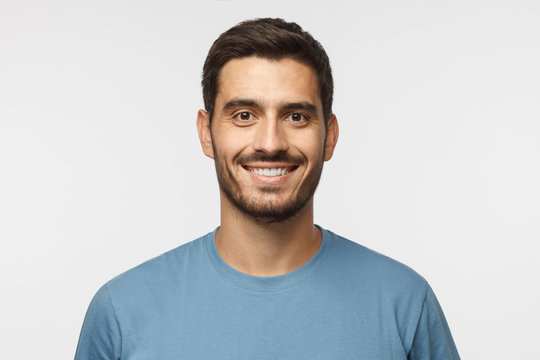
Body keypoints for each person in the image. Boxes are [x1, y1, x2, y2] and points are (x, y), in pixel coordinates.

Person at [75, 18, 460, 359]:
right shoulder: (123, 311)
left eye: (296, 116)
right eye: (244, 115)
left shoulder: (404, 303)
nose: (271, 142)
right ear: (206, 134)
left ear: (330, 137)